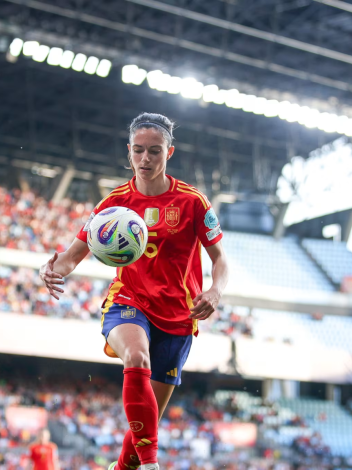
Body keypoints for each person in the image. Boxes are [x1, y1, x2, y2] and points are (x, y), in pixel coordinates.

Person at [40, 113, 229, 470]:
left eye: (154, 152)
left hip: (179, 315)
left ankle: (125, 466)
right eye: (139, 151)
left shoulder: (192, 202)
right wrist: (51, 269)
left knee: (148, 419)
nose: (145, 159)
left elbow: (221, 259)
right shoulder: (113, 205)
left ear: (169, 152)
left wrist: (215, 291)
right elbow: (71, 257)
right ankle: (152, 466)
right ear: (129, 152)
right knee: (137, 358)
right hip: (129, 301)